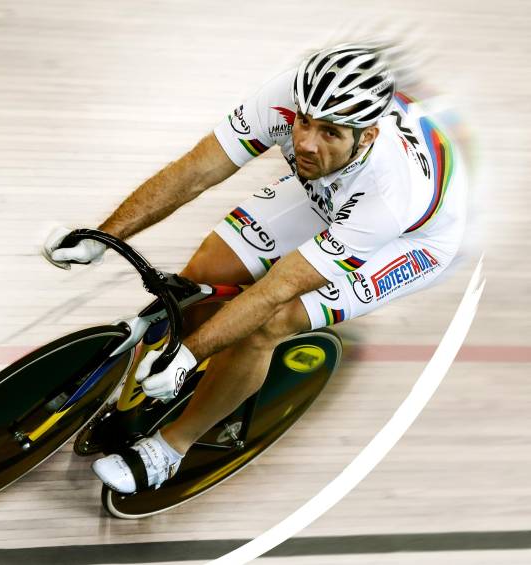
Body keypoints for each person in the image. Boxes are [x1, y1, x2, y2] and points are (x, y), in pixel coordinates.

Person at [43, 44, 468, 494]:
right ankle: (153, 392)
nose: (305, 142)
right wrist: (103, 236)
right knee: (204, 272)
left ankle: (170, 449)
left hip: (409, 239)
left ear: (364, 137)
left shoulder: (387, 194)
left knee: (270, 321)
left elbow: (275, 291)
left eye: (329, 132)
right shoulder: (289, 95)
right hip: (327, 189)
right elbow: (195, 172)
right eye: (304, 121)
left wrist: (189, 355)